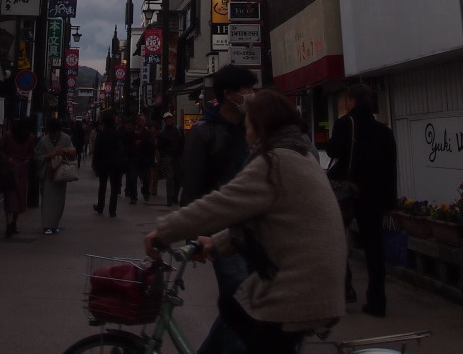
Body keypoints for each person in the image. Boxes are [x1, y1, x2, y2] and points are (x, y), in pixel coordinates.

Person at [145, 90, 346, 354]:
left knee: (238, 309)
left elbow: (220, 204)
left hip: (300, 286)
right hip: (317, 280)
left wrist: (163, 232)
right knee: (233, 305)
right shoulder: (299, 153)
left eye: (248, 121)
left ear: (259, 125)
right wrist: (215, 243)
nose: (244, 128)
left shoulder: (273, 162)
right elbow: (261, 221)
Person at [180, 64, 257, 354]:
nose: (251, 95)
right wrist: (192, 235)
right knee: (241, 306)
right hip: (221, 232)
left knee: (241, 305)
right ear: (228, 94)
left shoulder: (253, 128)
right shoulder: (203, 132)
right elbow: (191, 187)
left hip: (254, 229)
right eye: (246, 89)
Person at [326, 83, 397, 319]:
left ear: (351, 102)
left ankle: (344, 291)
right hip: (375, 195)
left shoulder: (345, 124)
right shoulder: (384, 131)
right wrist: (389, 203)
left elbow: (333, 151)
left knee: (336, 240)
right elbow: (390, 169)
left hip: (348, 192)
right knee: (374, 248)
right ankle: (378, 302)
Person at [0, 117, 37, 237]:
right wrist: (14, 160)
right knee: (14, 198)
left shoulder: (13, 136)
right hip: (14, 172)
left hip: (17, 170)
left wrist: (10, 159)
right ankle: (11, 224)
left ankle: (12, 224)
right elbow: (31, 153)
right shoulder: (22, 137)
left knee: (15, 198)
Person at [34, 117, 77, 234]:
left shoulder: (66, 138)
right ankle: (47, 224)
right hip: (48, 173)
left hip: (60, 173)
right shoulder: (44, 141)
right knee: (47, 199)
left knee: (59, 200)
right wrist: (49, 155)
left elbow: (73, 151)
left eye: (56, 131)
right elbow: (37, 157)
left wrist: (62, 151)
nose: (54, 134)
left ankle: (54, 224)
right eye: (52, 131)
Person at [92, 110, 126, 217]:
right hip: (115, 164)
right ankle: (112, 210)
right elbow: (121, 149)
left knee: (102, 186)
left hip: (103, 164)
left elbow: (97, 150)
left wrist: (95, 164)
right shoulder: (117, 134)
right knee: (114, 188)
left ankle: (100, 207)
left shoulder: (101, 134)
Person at [126, 112, 155, 204]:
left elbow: (151, 145)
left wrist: (142, 141)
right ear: (137, 121)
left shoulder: (147, 132)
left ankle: (145, 191)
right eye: (141, 120)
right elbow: (126, 140)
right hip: (134, 157)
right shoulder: (132, 130)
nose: (143, 122)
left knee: (146, 178)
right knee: (133, 178)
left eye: (144, 121)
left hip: (144, 158)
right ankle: (133, 196)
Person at [157, 111, 183, 206]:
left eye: (170, 118)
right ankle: (169, 198)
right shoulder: (162, 133)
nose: (168, 120)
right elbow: (160, 146)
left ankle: (175, 196)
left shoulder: (178, 130)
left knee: (178, 178)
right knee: (170, 178)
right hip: (169, 156)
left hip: (178, 156)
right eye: (167, 119)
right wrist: (164, 155)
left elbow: (182, 142)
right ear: (164, 120)